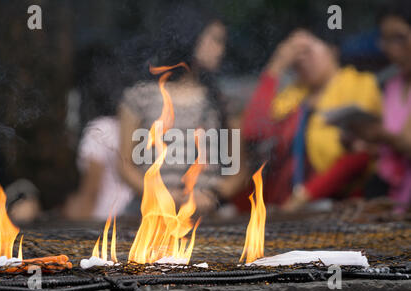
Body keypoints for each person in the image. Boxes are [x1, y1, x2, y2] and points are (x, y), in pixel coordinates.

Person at [118, 5, 247, 216]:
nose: (221, 50)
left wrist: (212, 195)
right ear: (190, 36)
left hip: (206, 214)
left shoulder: (225, 103)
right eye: (215, 40)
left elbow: (239, 173)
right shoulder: (139, 97)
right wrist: (159, 194)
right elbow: (125, 165)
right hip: (150, 212)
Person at [242, 28, 383, 212]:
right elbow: (254, 131)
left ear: (332, 50)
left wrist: (303, 197)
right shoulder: (291, 97)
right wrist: (275, 67)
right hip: (285, 209)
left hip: (337, 205)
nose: (300, 60)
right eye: (294, 55)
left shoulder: (360, 85)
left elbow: (361, 154)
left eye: (306, 51)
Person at [350, 0, 411, 214]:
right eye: (386, 40)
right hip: (394, 200)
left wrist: (380, 135)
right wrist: (365, 141)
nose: (391, 49)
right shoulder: (393, 84)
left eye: (399, 38)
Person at [63, 45, 134, 221]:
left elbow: (90, 194)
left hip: (104, 224)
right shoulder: (131, 127)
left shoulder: (98, 130)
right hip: (131, 219)